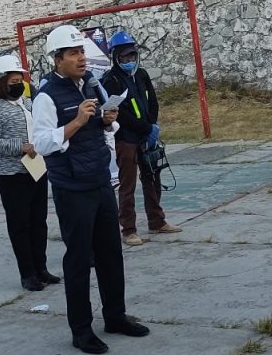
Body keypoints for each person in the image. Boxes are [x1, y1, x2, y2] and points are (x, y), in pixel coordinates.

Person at [32, 25, 149, 355]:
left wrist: (106, 119)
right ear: (57, 60)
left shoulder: (89, 86)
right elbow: (42, 143)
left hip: (99, 181)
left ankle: (115, 316)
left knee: (111, 254)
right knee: (79, 260)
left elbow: (103, 127)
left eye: (82, 52)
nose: (82, 58)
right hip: (72, 188)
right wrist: (78, 122)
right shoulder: (45, 96)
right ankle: (81, 330)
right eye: (73, 54)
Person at [0, 55, 60, 292]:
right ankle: (28, 274)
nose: (19, 84)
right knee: (20, 225)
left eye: (20, 80)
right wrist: (20, 146)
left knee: (39, 221)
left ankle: (41, 269)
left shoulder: (26, 103)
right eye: (13, 80)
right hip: (11, 174)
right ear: (1, 82)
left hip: (35, 168)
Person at [101, 31, 181, 247]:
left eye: (132, 56)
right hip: (126, 139)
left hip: (147, 136)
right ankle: (128, 229)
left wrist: (152, 127)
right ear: (115, 57)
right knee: (127, 185)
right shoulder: (111, 80)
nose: (129, 61)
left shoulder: (142, 75)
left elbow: (152, 102)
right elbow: (121, 114)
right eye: (125, 57)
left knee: (153, 179)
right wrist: (147, 129)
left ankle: (157, 221)